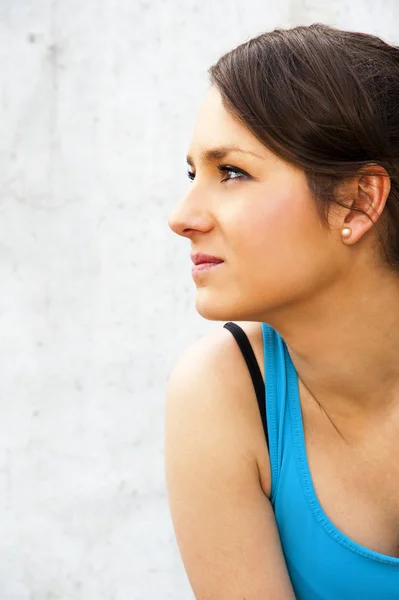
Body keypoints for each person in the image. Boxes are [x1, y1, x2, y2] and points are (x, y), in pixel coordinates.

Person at [165, 23, 399, 599]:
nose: (182, 216)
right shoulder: (227, 392)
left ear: (357, 200)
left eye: (233, 173)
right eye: (194, 174)